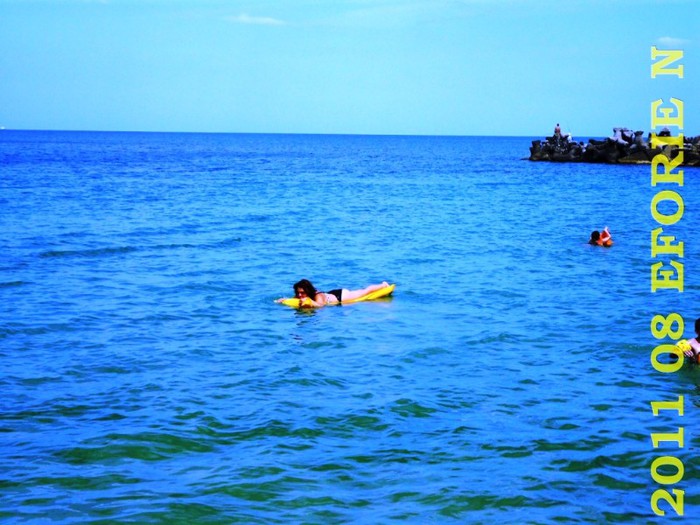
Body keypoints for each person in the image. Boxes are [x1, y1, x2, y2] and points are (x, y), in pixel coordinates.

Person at [276, 279, 391, 307]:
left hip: (341, 296)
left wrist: (310, 302)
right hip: (330, 294)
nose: (299, 295)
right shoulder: (301, 296)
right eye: (298, 293)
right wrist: (283, 300)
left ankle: (383, 285)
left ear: (307, 291)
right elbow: (295, 299)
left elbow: (320, 306)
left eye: (302, 293)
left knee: (364, 291)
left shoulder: (317, 296)